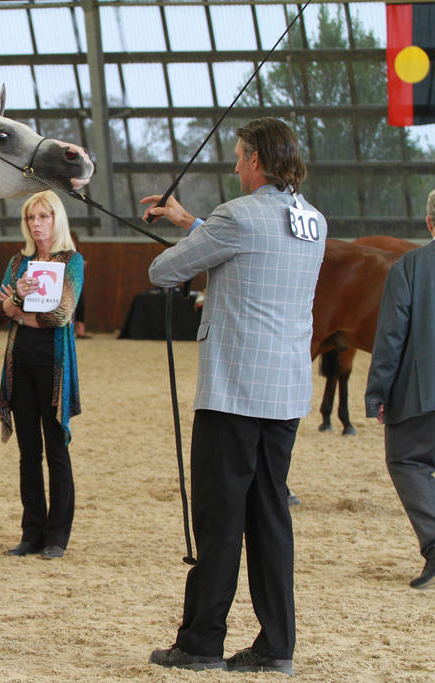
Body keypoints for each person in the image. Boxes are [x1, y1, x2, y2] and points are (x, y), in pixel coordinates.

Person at [141, 117, 326, 675]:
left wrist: (185, 233)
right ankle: (276, 646)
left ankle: (201, 643)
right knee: (271, 517)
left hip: (233, 394)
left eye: (239, 156)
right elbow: (251, 246)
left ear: (254, 161)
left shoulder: (236, 215)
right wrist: (190, 221)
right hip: (285, 392)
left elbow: (162, 270)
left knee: (220, 522)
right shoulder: (312, 220)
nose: (234, 164)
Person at [0, 190, 83, 560]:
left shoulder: (71, 261)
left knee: (56, 449)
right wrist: (15, 302)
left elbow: (61, 314)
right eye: (32, 218)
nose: (37, 223)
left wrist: (19, 312)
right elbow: (0, 306)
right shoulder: (19, 261)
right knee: (28, 452)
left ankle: (57, 536)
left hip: (53, 364)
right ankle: (31, 532)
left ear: (55, 219)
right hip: (21, 364)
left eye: (43, 216)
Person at [364, 188, 435, 591]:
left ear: (429, 223)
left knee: (406, 461)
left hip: (421, 398)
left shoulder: (409, 267)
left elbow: (391, 335)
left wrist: (377, 393)